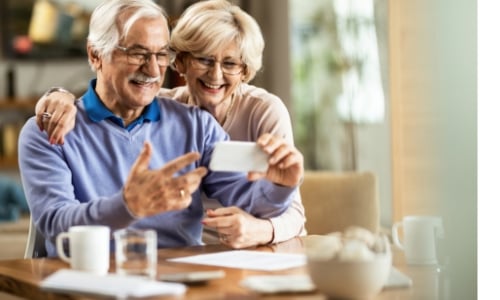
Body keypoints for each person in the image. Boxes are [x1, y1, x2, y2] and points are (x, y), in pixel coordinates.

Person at [18, 0, 304, 257]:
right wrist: (127, 206)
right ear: (95, 55)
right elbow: (57, 226)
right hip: (91, 277)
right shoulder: (46, 131)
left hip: (183, 282)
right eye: (138, 53)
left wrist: (280, 185)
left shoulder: (196, 124)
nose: (154, 70)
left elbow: (252, 201)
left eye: (160, 55)